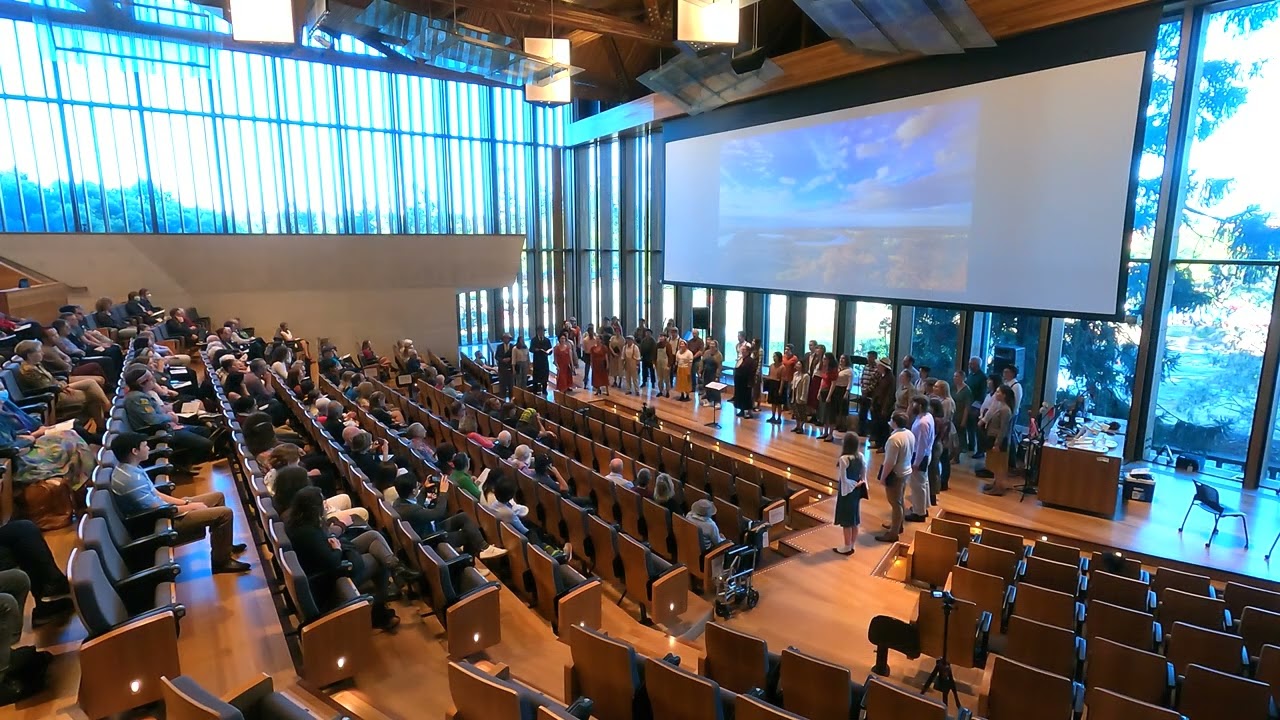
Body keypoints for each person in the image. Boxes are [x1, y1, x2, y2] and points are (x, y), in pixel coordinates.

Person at [109, 432, 250, 573]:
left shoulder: (131, 468)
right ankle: (221, 562)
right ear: (135, 451)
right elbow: (157, 509)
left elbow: (156, 494)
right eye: (145, 446)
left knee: (217, 497)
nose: (148, 448)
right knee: (224, 514)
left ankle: (224, 546)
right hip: (159, 522)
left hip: (164, 511)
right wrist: (190, 507)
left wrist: (184, 503)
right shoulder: (131, 479)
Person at [284, 487, 405, 631]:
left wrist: (334, 536)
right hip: (330, 580)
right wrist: (337, 548)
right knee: (377, 560)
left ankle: (396, 569)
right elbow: (333, 563)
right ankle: (379, 613)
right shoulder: (308, 534)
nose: (326, 506)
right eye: (323, 503)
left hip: (326, 564)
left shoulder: (297, 523)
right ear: (314, 509)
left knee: (373, 535)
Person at [391, 474, 505, 560]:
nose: (418, 486)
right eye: (417, 486)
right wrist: (443, 493)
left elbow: (417, 504)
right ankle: (471, 561)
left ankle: (484, 547)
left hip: (428, 528)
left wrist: (424, 490)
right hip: (431, 538)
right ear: (413, 491)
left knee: (463, 517)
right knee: (468, 534)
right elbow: (437, 513)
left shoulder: (399, 502)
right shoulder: (411, 510)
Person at [122, 365, 213, 472]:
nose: (154, 381)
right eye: (151, 379)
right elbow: (152, 420)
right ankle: (180, 463)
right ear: (142, 383)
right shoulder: (137, 398)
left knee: (205, 431)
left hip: (165, 427)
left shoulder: (142, 394)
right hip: (158, 433)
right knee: (206, 444)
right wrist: (170, 418)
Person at [0, 399, 93, 492]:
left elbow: (15, 433)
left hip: (26, 446)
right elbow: (7, 447)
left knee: (70, 434)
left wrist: (27, 436)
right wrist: (28, 439)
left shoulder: (3, 410)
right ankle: (81, 484)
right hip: (19, 461)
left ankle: (87, 479)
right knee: (68, 445)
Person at [14, 340, 108, 428]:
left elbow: (52, 380)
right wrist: (62, 387)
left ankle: (103, 420)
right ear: (30, 355)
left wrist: (62, 385)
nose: (42, 353)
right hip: (55, 397)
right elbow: (46, 387)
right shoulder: (29, 370)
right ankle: (105, 416)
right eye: (39, 351)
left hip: (58, 390)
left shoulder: (36, 364)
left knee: (91, 386)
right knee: (92, 393)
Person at [265, 448, 363, 525]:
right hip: (319, 517)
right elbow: (317, 520)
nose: (299, 464)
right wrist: (341, 524)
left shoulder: (282, 488)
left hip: (317, 510)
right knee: (361, 512)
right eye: (297, 463)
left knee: (345, 497)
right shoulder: (297, 508)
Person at [874, 412, 914, 543]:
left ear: (895, 423)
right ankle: (898, 525)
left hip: (896, 474)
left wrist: (883, 477)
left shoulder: (894, 439)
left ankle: (893, 533)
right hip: (906, 470)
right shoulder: (909, 433)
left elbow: (890, 462)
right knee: (899, 500)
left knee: (895, 503)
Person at [834, 433, 868, 556]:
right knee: (854, 518)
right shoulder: (861, 456)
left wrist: (854, 485)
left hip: (847, 491)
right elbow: (864, 473)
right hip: (856, 491)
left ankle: (847, 546)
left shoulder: (844, 459)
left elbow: (844, 479)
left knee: (847, 520)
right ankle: (852, 544)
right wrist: (860, 483)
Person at [979, 385, 1015, 495]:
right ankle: (996, 483)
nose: (996, 394)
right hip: (993, 436)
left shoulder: (1005, 410)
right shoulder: (1000, 406)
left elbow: (1003, 428)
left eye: (999, 392)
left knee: (999, 465)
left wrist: (997, 443)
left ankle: (999, 487)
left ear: (1004, 395)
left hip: (998, 439)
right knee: (994, 463)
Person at [906, 395, 934, 522]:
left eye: (914, 404)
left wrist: (916, 462)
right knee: (923, 482)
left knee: (917, 485)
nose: (911, 406)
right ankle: (922, 507)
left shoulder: (923, 422)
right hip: (925, 454)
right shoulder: (927, 416)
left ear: (920, 406)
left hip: (920, 455)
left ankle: (919, 513)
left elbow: (921, 444)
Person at [731, 343, 756, 419]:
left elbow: (752, 372)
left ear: (748, 351)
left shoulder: (751, 361)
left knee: (747, 397)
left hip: (746, 382)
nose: (742, 351)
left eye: (744, 350)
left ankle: (748, 412)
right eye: (742, 350)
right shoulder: (741, 359)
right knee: (740, 396)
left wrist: (750, 382)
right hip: (739, 382)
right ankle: (742, 410)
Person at [952, 370, 973, 456]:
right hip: (954, 413)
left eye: (956, 376)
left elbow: (967, 406)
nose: (954, 378)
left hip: (961, 414)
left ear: (962, 378)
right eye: (954, 376)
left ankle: (960, 450)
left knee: (960, 433)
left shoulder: (967, 390)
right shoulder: (953, 387)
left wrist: (964, 420)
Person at [766, 352, 787, 424]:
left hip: (778, 385)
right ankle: (773, 416)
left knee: (778, 403)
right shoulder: (771, 365)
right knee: (773, 402)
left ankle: (779, 418)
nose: (774, 358)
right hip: (772, 384)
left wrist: (780, 389)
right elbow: (769, 375)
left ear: (779, 357)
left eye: (775, 356)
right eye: (773, 356)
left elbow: (783, 379)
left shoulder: (782, 367)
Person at [530, 327, 552, 393]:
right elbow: (531, 349)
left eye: (543, 331)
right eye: (540, 331)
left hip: (544, 360)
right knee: (536, 376)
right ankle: (535, 390)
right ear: (537, 332)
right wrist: (535, 350)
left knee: (545, 375)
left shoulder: (547, 340)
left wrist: (548, 352)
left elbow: (550, 349)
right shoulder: (534, 340)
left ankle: (544, 389)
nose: (541, 333)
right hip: (537, 361)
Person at [495, 333, 514, 398]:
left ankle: (511, 399)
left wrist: (510, 359)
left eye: (507, 338)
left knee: (511, 385)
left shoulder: (512, 347)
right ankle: (502, 399)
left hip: (510, 368)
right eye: (504, 338)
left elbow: (514, 356)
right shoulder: (499, 347)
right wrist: (502, 360)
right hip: (502, 368)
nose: (506, 339)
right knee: (502, 385)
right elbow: (496, 356)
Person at [654, 333, 671, 398]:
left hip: (665, 363)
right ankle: (660, 391)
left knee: (666, 379)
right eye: (660, 336)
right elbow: (654, 354)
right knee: (659, 378)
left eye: (662, 336)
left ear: (665, 337)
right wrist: (654, 363)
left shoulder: (668, 345)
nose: (660, 338)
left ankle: (667, 391)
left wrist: (669, 365)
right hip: (658, 363)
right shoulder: (657, 345)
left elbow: (670, 356)